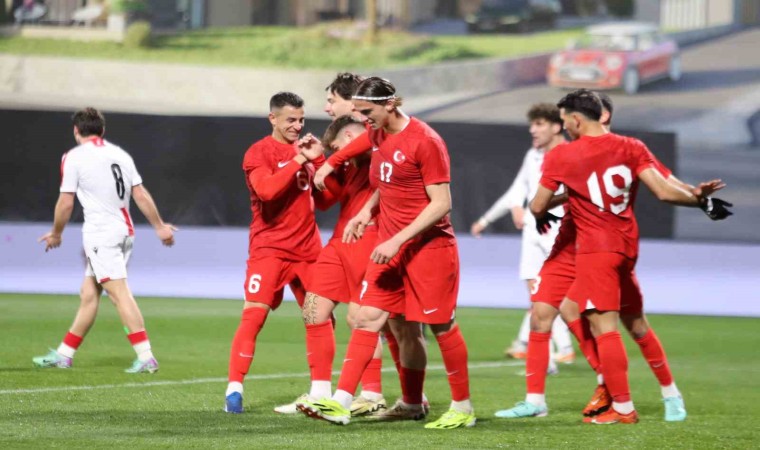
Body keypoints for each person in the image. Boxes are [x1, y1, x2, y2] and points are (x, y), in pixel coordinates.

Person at [528, 89, 725, 425]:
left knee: (604, 327)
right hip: (626, 247)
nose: (564, 127)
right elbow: (664, 190)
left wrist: (561, 197)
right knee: (627, 321)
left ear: (575, 119)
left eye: (564, 121)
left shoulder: (563, 155)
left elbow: (537, 206)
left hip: (595, 250)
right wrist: (701, 201)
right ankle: (671, 395)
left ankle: (622, 408)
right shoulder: (632, 147)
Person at [298, 77, 475, 429]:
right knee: (367, 318)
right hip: (390, 249)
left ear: (390, 104)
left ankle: (462, 407)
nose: (364, 119)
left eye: (368, 111)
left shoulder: (426, 141)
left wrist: (397, 239)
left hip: (429, 248)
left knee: (441, 326)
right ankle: (342, 403)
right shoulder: (378, 133)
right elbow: (388, 183)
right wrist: (366, 212)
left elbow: (442, 203)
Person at [34, 107, 176, 374]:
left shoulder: (74, 157)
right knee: (89, 294)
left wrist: (56, 233)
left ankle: (146, 356)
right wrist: (159, 226)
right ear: (102, 130)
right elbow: (140, 194)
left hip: (102, 235)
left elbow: (66, 202)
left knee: (119, 294)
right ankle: (65, 354)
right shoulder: (120, 154)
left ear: (76, 131)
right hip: (123, 231)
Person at [224, 92, 330, 414]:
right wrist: (299, 160)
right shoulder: (259, 152)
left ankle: (320, 392)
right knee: (254, 315)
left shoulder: (307, 154)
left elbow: (326, 200)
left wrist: (319, 161)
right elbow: (267, 191)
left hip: (308, 252)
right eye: (290, 120)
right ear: (273, 118)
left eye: (301, 120)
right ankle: (234, 390)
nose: (298, 126)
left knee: (320, 318)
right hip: (269, 249)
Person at [470, 103, 574, 367]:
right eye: (532, 125)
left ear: (556, 127)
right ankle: (549, 356)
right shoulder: (533, 156)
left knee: (561, 297)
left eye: (539, 124)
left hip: (558, 231)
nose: (533, 130)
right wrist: (488, 219)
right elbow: (517, 190)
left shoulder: (571, 155)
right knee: (536, 295)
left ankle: (572, 347)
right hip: (532, 231)